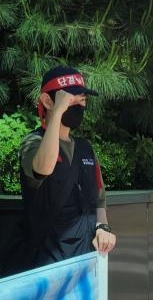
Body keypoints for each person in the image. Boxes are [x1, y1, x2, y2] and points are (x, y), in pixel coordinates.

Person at [19, 65, 116, 268]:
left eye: (82, 100)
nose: (79, 106)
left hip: (87, 260)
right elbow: (42, 169)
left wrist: (102, 227)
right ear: (47, 101)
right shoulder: (33, 143)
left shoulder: (85, 148)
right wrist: (57, 112)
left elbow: (98, 198)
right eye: (71, 100)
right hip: (48, 264)